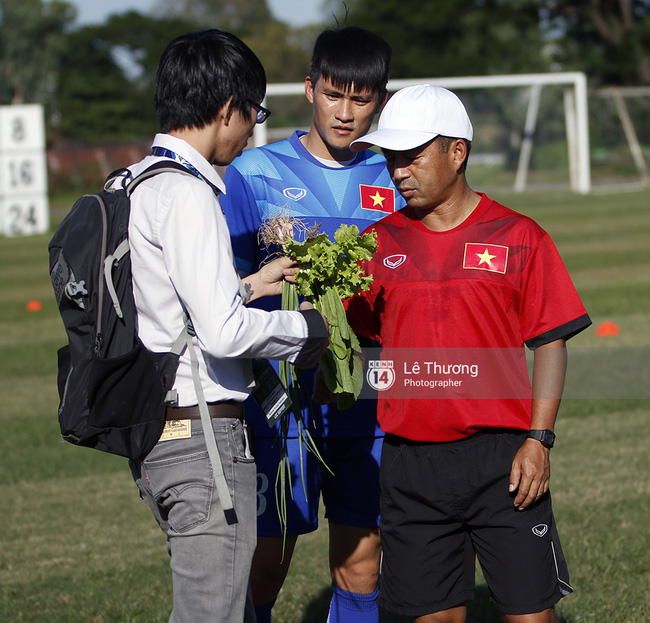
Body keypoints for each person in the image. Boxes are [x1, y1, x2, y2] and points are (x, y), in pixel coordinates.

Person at [342, 84, 592, 623]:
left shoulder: (519, 235)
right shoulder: (375, 245)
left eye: (412, 156)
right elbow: (361, 343)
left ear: (457, 152)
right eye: (390, 158)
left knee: (531, 616)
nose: (398, 171)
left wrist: (539, 438)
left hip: (502, 460)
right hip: (409, 465)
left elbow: (550, 339)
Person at [124, 29, 328, 623]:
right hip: (204, 442)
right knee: (213, 615)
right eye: (254, 114)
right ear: (226, 110)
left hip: (159, 434)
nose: (251, 131)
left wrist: (247, 286)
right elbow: (222, 334)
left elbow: (170, 305)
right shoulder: (190, 195)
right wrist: (306, 330)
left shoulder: (135, 182)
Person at [220, 26, 404, 623]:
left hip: (368, 395)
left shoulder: (396, 177)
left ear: (379, 101)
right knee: (268, 556)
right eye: (333, 95)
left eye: (361, 99)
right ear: (309, 89)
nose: (345, 113)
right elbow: (228, 291)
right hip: (281, 398)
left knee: (362, 557)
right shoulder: (253, 172)